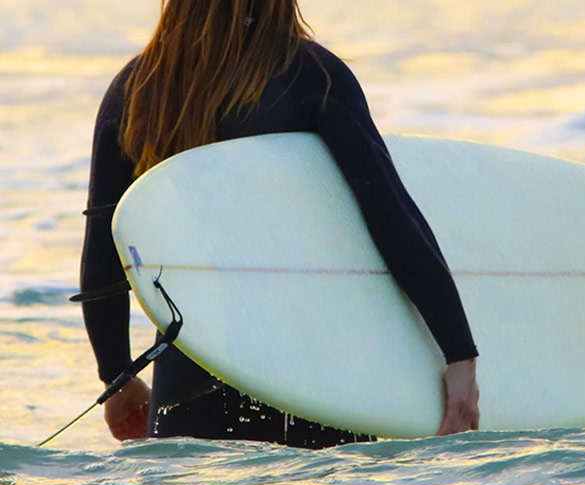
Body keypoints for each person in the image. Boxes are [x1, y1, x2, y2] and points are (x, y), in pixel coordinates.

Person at [81, 0, 479, 448]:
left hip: (189, 369)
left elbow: (104, 254)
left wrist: (116, 377)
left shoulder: (136, 87)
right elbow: (390, 217)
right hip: (307, 366)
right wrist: (459, 353)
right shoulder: (309, 75)